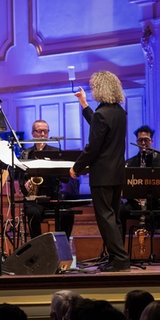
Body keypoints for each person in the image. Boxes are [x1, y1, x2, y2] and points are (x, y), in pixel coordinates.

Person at [70, 70, 130, 272]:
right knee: (113, 217)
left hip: (102, 175)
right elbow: (98, 124)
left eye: (94, 87)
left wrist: (76, 167)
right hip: (117, 173)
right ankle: (116, 258)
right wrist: (84, 104)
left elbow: (93, 147)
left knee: (105, 218)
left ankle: (120, 259)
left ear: (100, 88)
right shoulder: (119, 112)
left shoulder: (103, 114)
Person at [20, 120, 79, 239]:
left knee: (68, 213)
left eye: (45, 132)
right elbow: (21, 179)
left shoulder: (55, 152)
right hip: (35, 198)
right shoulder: (26, 154)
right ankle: (38, 245)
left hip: (53, 195)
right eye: (39, 131)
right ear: (33, 133)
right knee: (32, 213)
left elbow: (65, 178)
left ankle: (63, 244)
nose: (42, 134)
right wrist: (25, 185)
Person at [119, 125, 160, 237]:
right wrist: (133, 196)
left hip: (156, 203)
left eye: (146, 140)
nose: (143, 143)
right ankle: (120, 248)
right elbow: (126, 186)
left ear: (152, 141)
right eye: (140, 140)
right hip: (136, 204)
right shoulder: (130, 163)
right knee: (120, 211)